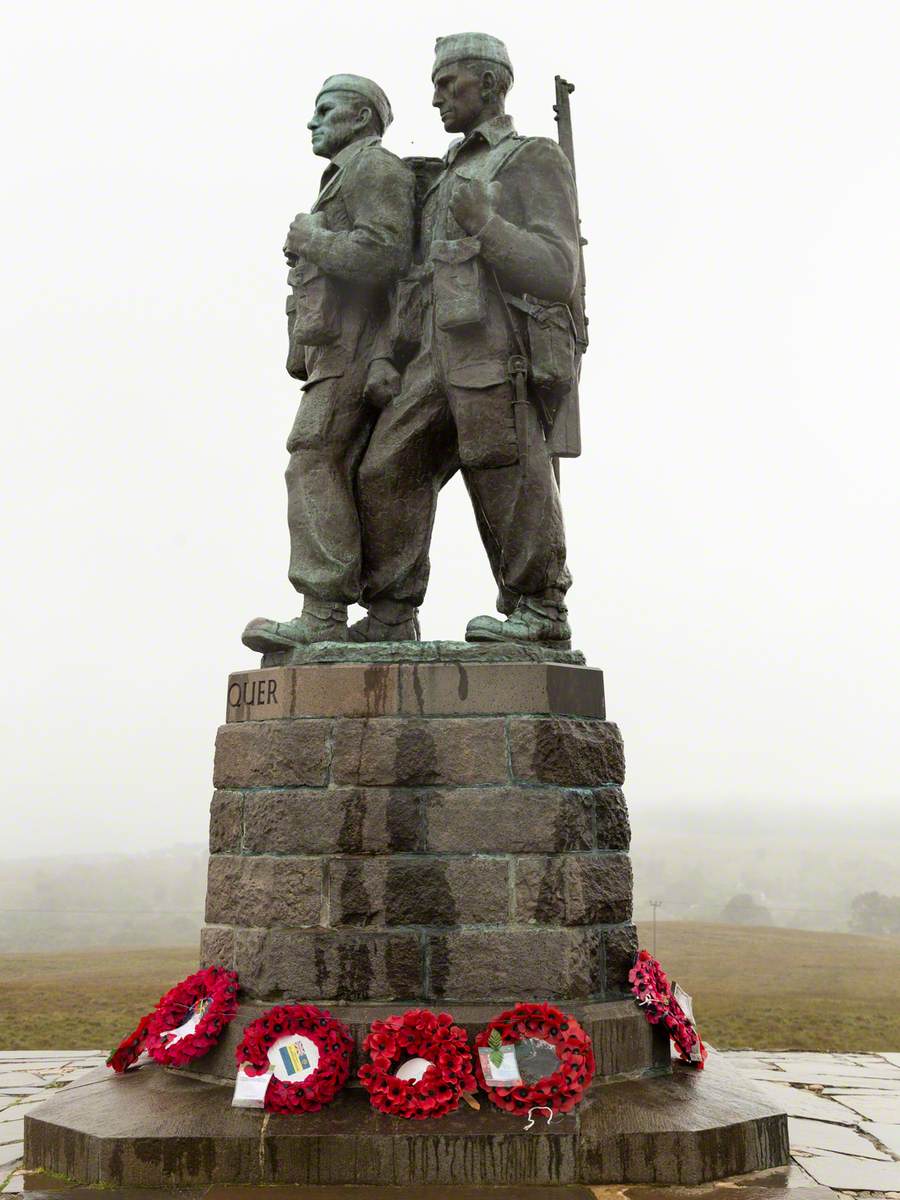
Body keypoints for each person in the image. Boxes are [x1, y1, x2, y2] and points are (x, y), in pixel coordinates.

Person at [350, 33, 578, 646]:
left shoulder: (530, 158)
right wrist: (387, 354)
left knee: (503, 465)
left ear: (491, 83)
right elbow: (411, 277)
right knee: (385, 467)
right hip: (427, 348)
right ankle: (391, 614)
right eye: (433, 87)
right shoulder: (443, 171)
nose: (436, 100)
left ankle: (540, 609)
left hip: (491, 344)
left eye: (448, 85)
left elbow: (559, 271)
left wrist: (488, 225)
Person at [242, 75, 413, 651]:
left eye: (325, 110)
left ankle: (323, 611)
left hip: (357, 348)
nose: (311, 122)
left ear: (362, 117)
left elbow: (385, 255)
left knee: (312, 457)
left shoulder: (373, 168)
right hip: (338, 349)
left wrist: (313, 238)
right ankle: (387, 613)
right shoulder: (346, 174)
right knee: (352, 472)